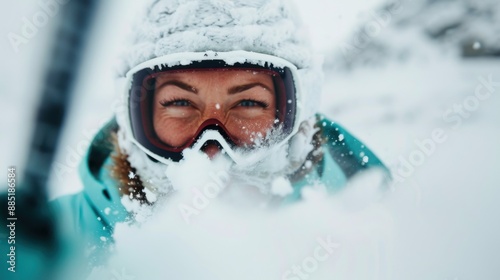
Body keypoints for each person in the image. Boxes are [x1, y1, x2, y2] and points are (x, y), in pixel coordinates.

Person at [51, 0, 390, 266]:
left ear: (297, 114)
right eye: (180, 102)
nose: (211, 150)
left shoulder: (379, 231)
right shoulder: (52, 242)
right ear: (134, 117)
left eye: (248, 103)